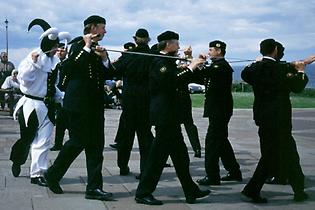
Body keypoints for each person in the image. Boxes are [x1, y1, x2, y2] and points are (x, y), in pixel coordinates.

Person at [135, 31, 210, 205]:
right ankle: (143, 192)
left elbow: (189, 77)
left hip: (171, 115)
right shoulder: (158, 62)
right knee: (156, 158)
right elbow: (169, 82)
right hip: (164, 116)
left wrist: (194, 65)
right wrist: (190, 67)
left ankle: (190, 190)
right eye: (176, 43)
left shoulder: (168, 61)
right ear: (167, 44)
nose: (178, 45)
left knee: (181, 156)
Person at [44, 15, 114, 201]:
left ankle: (94, 188)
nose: (105, 31)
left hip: (95, 106)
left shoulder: (97, 50)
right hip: (78, 106)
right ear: (93, 27)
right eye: (102, 28)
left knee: (96, 147)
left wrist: (105, 58)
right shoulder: (76, 46)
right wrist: (85, 46)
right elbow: (70, 68)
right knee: (77, 142)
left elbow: (110, 74)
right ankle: (52, 174)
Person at [241, 38, 309, 203]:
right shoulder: (280, 69)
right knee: (276, 154)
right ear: (276, 50)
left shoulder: (254, 69)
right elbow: (297, 87)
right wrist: (300, 70)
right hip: (279, 118)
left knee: (287, 153)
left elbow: (245, 74)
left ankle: (299, 189)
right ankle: (252, 189)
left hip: (262, 117)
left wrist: (255, 63)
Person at [9, 19, 65, 187]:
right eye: (54, 46)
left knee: (44, 141)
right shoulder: (32, 59)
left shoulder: (53, 62)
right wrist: (33, 64)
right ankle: (18, 160)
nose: (57, 49)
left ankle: (37, 173)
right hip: (31, 106)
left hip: (47, 107)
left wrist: (61, 97)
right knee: (27, 139)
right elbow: (24, 80)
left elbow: (51, 85)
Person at [196, 40, 242, 186]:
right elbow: (202, 77)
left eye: (211, 50)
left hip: (219, 110)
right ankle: (234, 172)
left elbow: (205, 72)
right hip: (218, 109)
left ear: (219, 51)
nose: (209, 52)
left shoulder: (220, 67)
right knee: (221, 141)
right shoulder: (217, 66)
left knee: (212, 142)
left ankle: (212, 176)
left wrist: (196, 62)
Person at [112, 28, 153, 177]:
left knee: (125, 137)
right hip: (146, 101)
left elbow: (114, 70)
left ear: (135, 39)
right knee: (145, 138)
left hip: (129, 101)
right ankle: (145, 170)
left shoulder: (128, 56)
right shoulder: (151, 56)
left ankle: (123, 166)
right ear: (148, 40)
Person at [50, 43, 69, 151]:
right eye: (58, 51)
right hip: (55, 94)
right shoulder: (54, 64)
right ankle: (58, 143)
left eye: (62, 51)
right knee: (60, 122)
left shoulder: (68, 63)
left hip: (66, 94)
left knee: (69, 121)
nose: (60, 53)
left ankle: (74, 141)